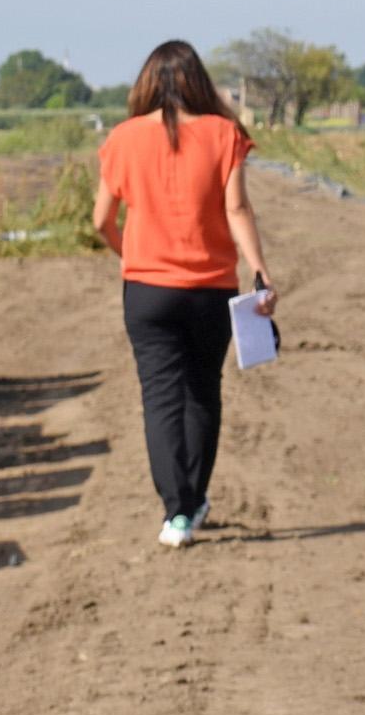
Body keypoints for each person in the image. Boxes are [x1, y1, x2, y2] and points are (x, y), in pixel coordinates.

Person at [93, 39, 275, 551]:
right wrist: (261, 270)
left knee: (160, 397)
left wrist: (129, 255)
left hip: (146, 289)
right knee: (202, 392)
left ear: (147, 83)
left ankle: (176, 508)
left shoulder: (123, 138)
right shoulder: (225, 134)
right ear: (199, 83)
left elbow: (100, 220)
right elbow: (237, 210)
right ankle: (191, 501)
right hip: (210, 289)